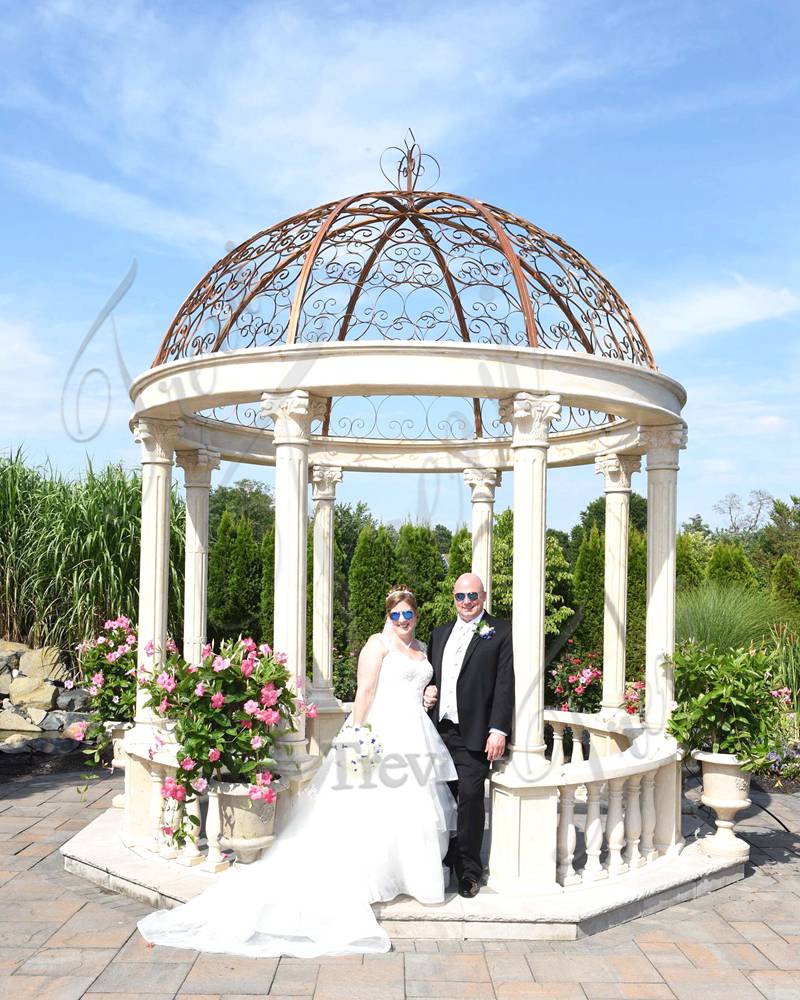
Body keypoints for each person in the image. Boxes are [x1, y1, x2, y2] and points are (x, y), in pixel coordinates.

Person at [137, 586, 456, 957]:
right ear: (388, 616)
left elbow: (417, 685)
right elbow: (365, 693)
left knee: (412, 809)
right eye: (396, 615)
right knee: (370, 811)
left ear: (416, 615)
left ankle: (410, 876)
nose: (403, 621)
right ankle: (366, 879)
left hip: (416, 734)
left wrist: (427, 694)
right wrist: (357, 736)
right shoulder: (377, 645)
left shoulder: (420, 649)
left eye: (408, 615)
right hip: (381, 734)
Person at [424, 573, 514, 898]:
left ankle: (469, 870)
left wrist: (498, 729)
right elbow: (431, 678)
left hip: (475, 733)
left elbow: (506, 683)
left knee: (471, 798)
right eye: (461, 596)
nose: (466, 602)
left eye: (472, 596)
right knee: (441, 800)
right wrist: (427, 695)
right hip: (439, 732)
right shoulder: (440, 633)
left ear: (484, 596)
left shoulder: (501, 631)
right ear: (453, 597)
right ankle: (443, 859)